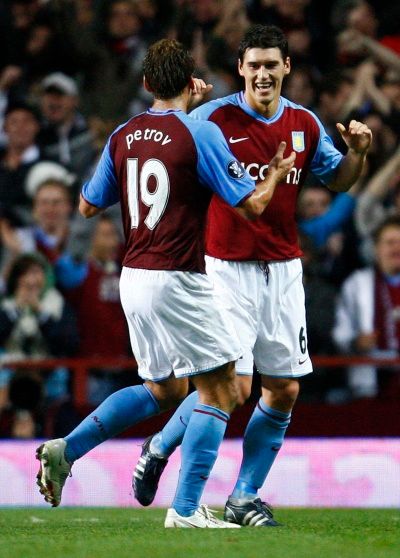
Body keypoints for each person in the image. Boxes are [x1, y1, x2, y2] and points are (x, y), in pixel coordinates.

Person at [35, 38, 295, 529]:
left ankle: (67, 450)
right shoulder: (201, 134)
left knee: (164, 388)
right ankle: (186, 509)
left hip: (134, 275)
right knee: (223, 389)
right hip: (178, 276)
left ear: (146, 84)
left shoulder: (123, 134)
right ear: (189, 81)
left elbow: (89, 205)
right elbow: (252, 205)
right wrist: (278, 173)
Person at [132, 24, 372, 527]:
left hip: (284, 270)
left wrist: (358, 153)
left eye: (272, 64)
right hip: (223, 269)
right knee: (234, 387)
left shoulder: (305, 123)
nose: (263, 73)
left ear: (287, 68)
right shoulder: (212, 119)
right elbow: (168, 154)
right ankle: (159, 447)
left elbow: (341, 180)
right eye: (254, 65)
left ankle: (243, 496)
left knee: (283, 390)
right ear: (240, 69)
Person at [333, 216, 400, 398]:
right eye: (390, 242)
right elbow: (341, 332)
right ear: (376, 248)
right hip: (370, 380)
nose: (396, 248)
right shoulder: (356, 283)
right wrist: (356, 342)